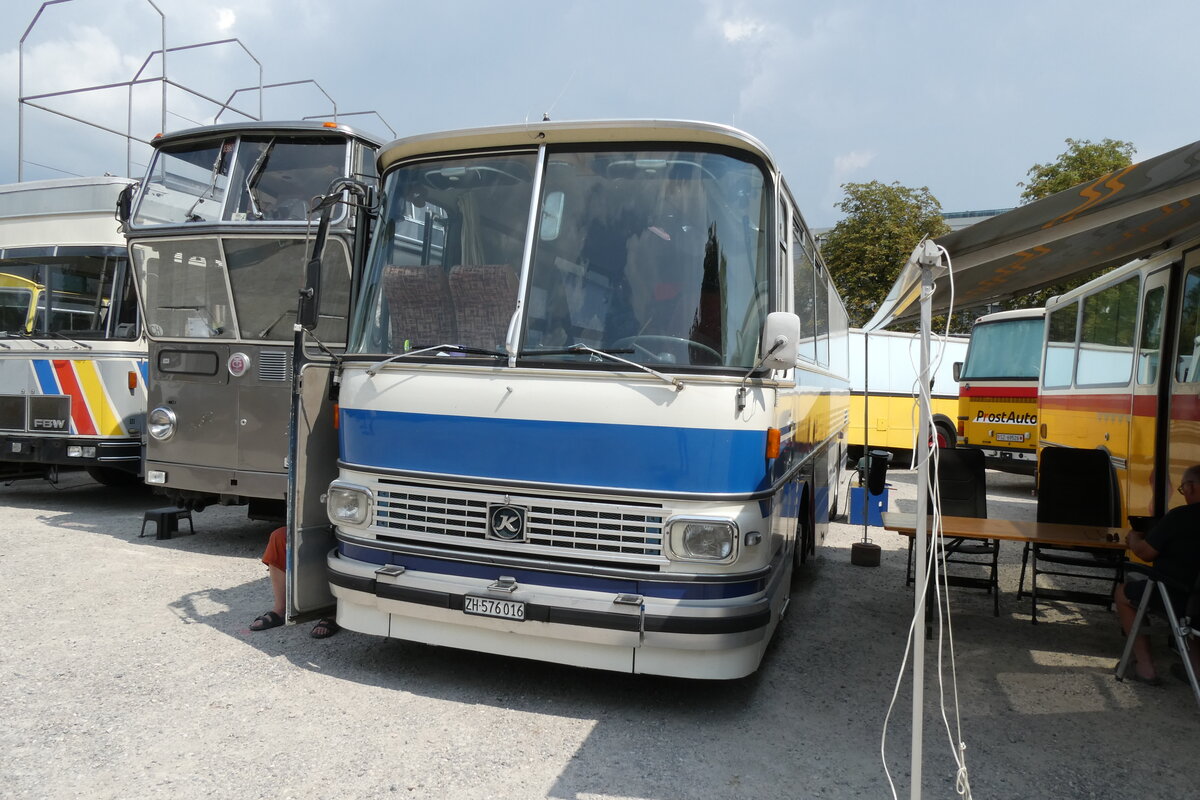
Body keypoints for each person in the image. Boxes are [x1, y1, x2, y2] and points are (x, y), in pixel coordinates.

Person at [1114, 464, 1200, 684]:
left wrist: (1134, 538)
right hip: (1196, 603)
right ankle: (1196, 671)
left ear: (1190, 488)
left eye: (1182, 489)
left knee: (1124, 593)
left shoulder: (1179, 517)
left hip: (1177, 597)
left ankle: (1145, 668)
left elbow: (1145, 553)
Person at [249, 525, 339, 638]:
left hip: (350, 524)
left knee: (337, 541)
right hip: (316, 519)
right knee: (279, 537)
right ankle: (280, 609)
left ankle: (331, 613)